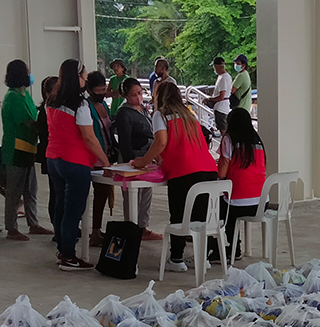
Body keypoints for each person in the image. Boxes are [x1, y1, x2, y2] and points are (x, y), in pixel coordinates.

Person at [131, 79, 217, 273]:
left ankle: (177, 258)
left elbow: (161, 142)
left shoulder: (160, 115)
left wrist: (142, 161)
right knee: (201, 217)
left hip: (184, 172)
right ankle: (203, 257)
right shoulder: (189, 115)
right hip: (208, 170)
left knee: (179, 215)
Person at [46, 59, 109, 271]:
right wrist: (104, 160)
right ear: (77, 78)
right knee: (74, 210)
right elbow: (89, 137)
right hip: (75, 161)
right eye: (84, 76)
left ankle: (63, 250)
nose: (86, 80)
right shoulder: (80, 105)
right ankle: (69, 257)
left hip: (54, 159)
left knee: (61, 207)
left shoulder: (52, 100)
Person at [1, 59, 51, 241]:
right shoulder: (13, 97)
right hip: (15, 149)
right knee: (14, 191)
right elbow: (30, 122)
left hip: (28, 148)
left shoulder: (24, 95)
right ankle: (11, 227)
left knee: (31, 189)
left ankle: (33, 223)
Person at [214, 106, 267, 263]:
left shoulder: (229, 139)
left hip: (237, 203)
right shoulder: (257, 140)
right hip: (261, 203)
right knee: (228, 206)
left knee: (213, 207)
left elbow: (222, 173)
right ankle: (233, 247)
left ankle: (229, 248)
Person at [113, 77, 163, 241]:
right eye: (134, 95)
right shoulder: (124, 113)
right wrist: (130, 162)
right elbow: (125, 141)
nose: (138, 97)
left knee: (146, 192)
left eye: (140, 93)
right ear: (126, 96)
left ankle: (143, 226)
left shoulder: (143, 109)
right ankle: (131, 227)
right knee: (132, 194)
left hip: (147, 156)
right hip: (133, 156)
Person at [85, 71, 116, 248]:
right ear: (90, 90)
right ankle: (94, 230)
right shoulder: (87, 106)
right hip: (93, 156)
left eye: (104, 89)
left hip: (107, 153)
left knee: (102, 193)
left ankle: (96, 229)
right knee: (97, 192)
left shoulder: (104, 103)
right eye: (98, 90)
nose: (102, 92)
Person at [36, 75, 58, 230]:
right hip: (52, 156)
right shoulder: (45, 112)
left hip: (55, 156)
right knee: (56, 193)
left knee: (60, 192)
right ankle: (57, 226)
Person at [211, 56, 233, 135]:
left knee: (223, 132)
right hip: (221, 107)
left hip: (221, 108)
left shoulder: (224, 78)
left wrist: (211, 99)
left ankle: (225, 146)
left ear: (216, 66)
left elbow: (221, 96)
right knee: (223, 130)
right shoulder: (222, 77)